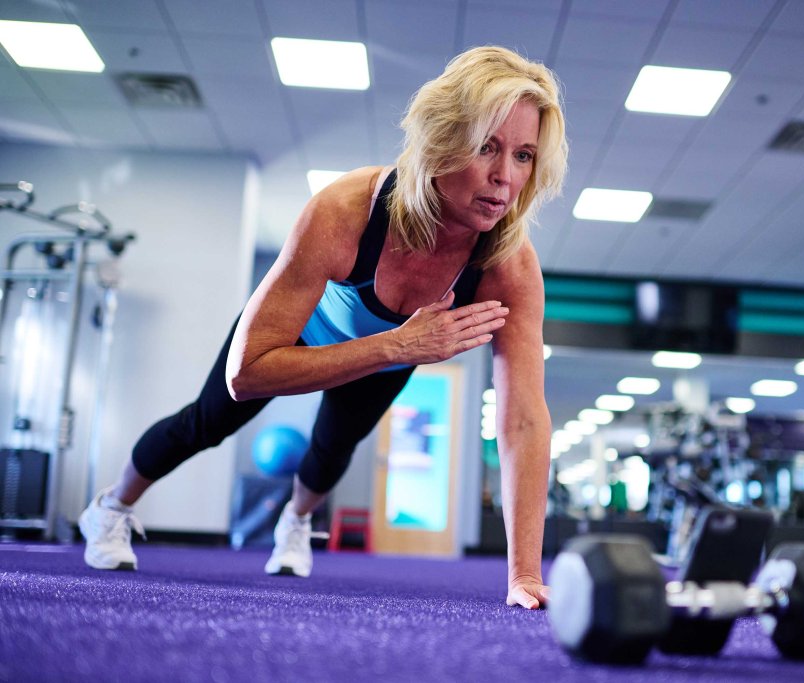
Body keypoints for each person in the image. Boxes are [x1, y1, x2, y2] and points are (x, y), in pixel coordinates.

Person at [77, 45, 568, 610]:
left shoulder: (508, 263)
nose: (504, 177)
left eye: (524, 155)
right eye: (487, 146)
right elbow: (247, 373)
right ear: (442, 140)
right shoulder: (346, 210)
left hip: (393, 351)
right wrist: (398, 343)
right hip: (303, 336)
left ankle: (295, 521)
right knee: (206, 422)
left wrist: (524, 575)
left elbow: (524, 421)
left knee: (334, 448)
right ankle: (111, 508)